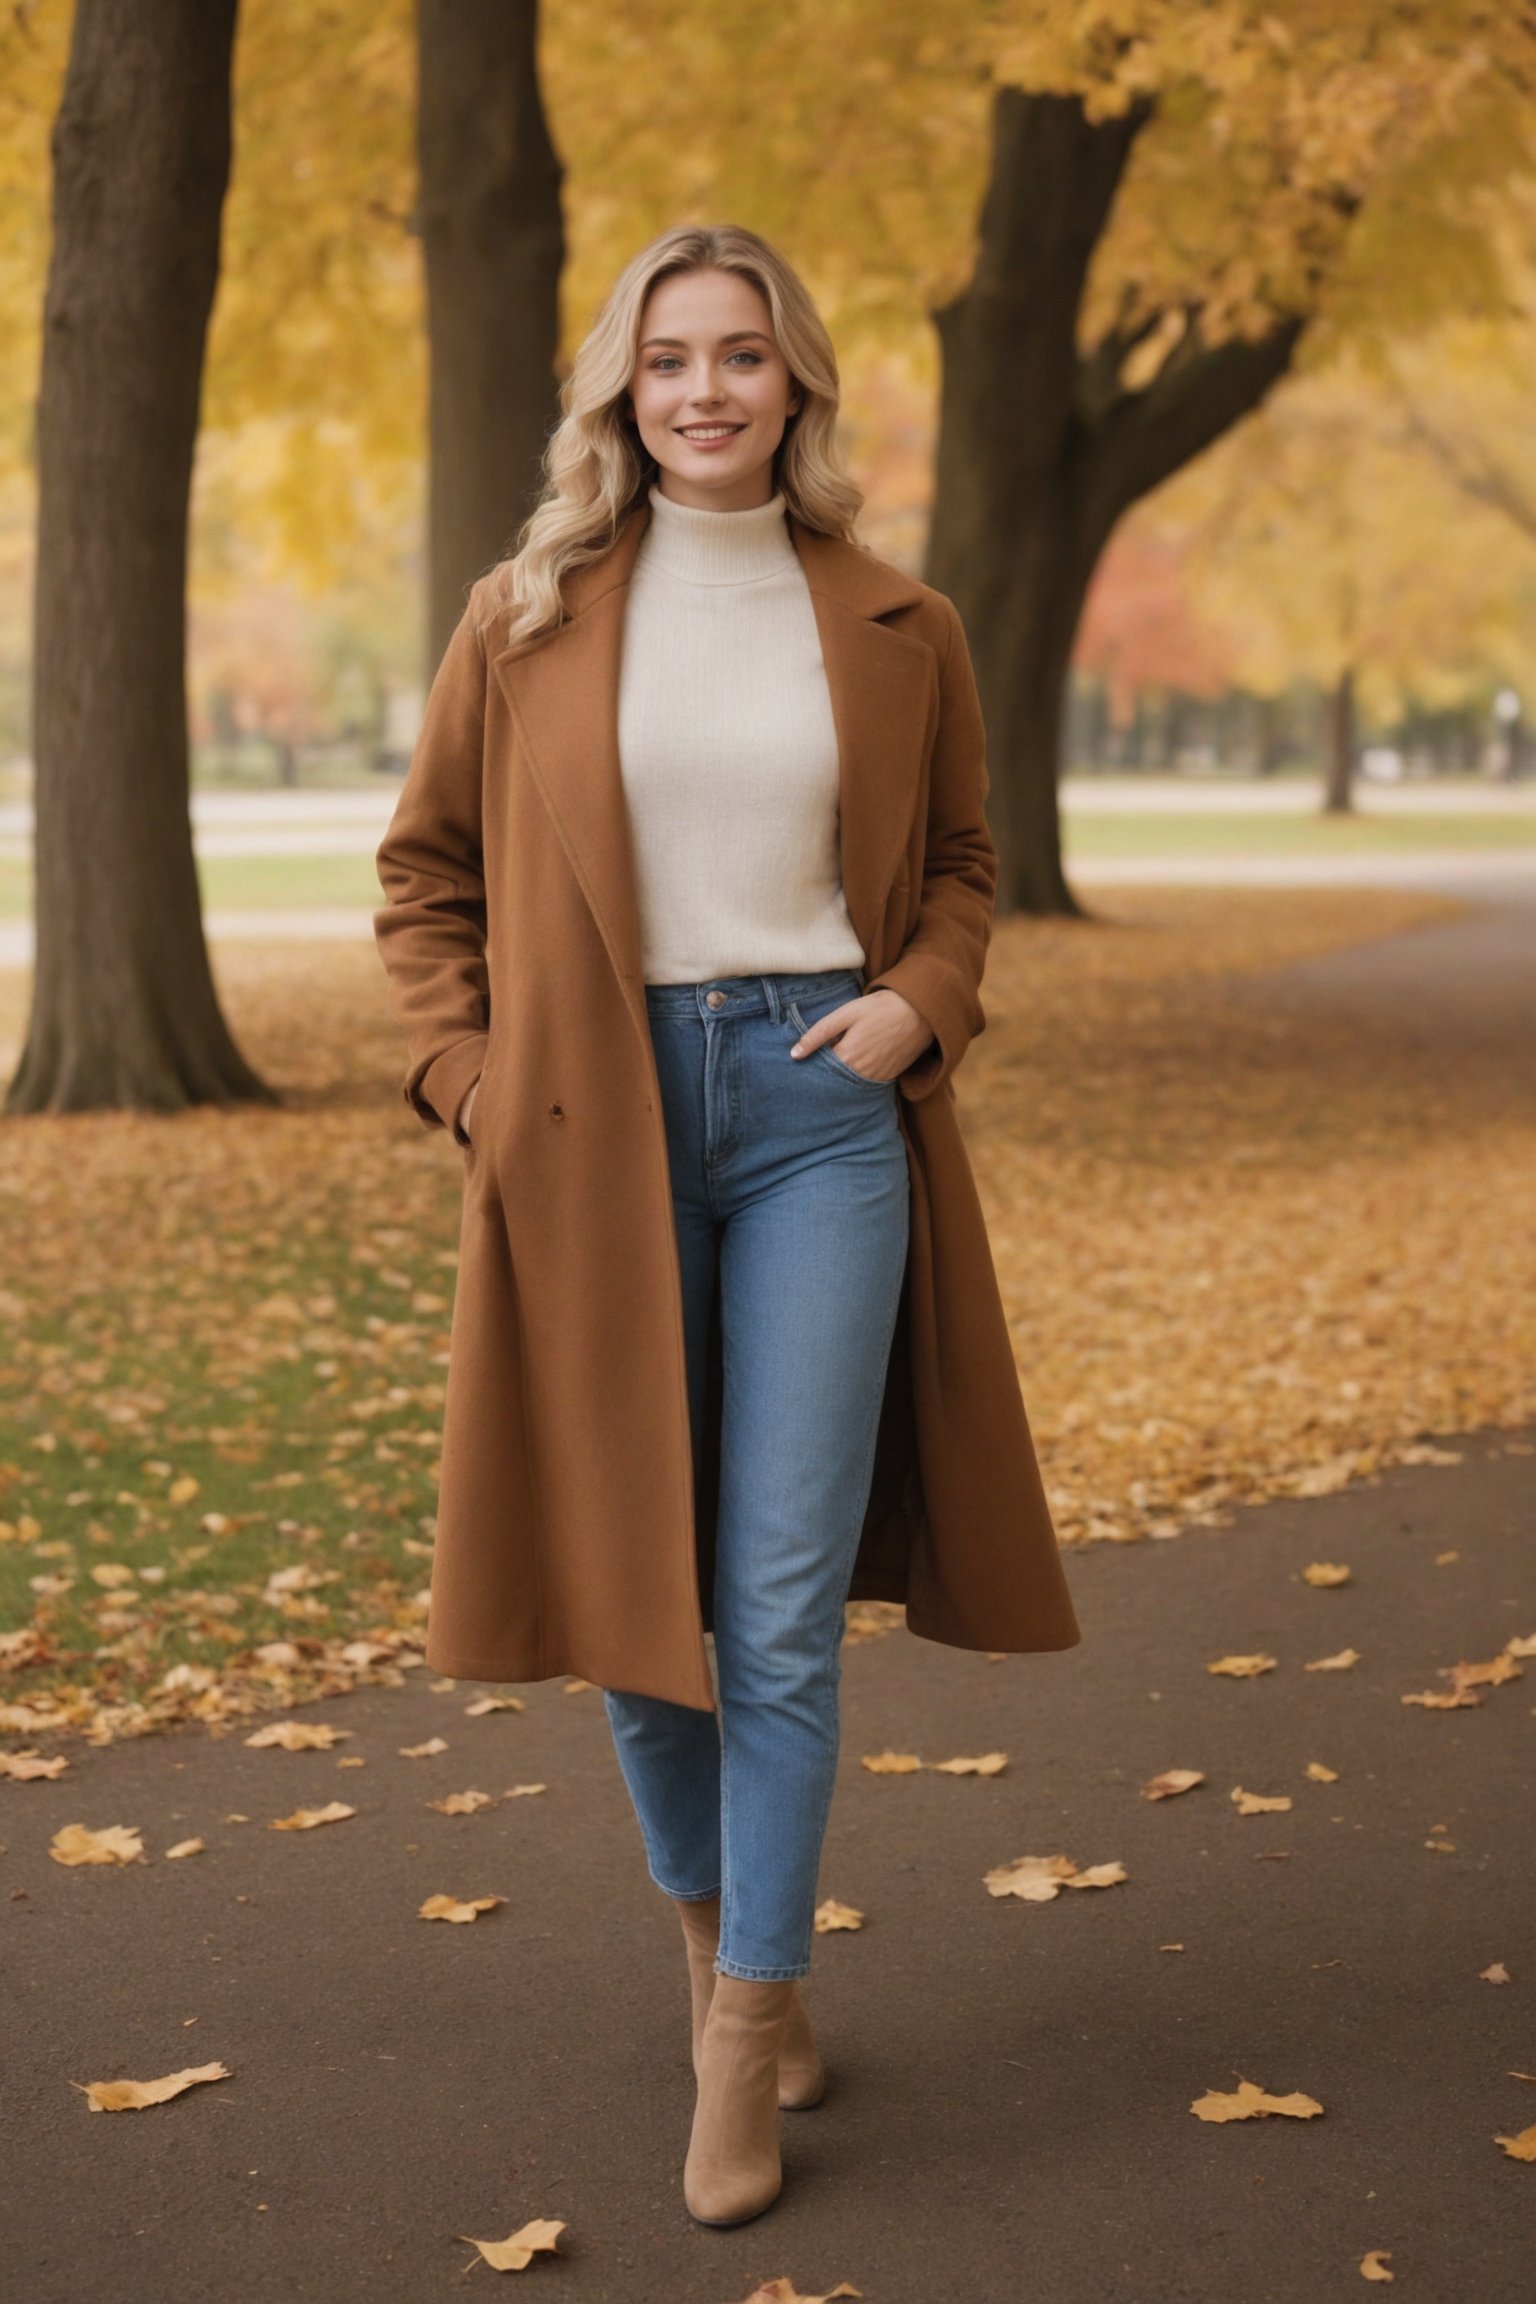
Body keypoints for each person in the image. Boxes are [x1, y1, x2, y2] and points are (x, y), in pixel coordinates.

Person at [374, 221, 1081, 2231]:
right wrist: (474, 1084)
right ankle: (717, 1968)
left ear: (798, 385)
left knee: (771, 1602)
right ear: (621, 389)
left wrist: (916, 1006)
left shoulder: (896, 619)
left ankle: (753, 2013)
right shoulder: (522, 615)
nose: (704, 389)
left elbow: (958, 861)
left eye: (741, 357)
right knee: (631, 1588)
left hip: (816, 1118)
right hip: (585, 1128)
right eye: (668, 358)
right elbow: (424, 879)